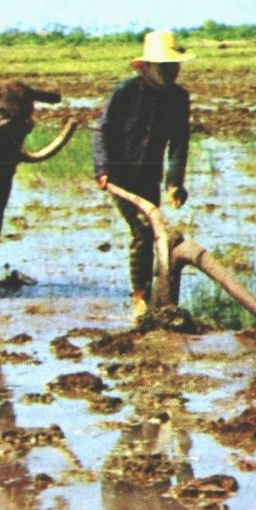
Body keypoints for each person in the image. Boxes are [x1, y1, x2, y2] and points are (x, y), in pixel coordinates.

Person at [92, 30, 192, 322]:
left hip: (149, 177)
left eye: (174, 66)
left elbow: (179, 141)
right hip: (120, 177)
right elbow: (102, 130)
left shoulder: (178, 97)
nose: (171, 72)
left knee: (155, 232)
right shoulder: (126, 92)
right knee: (142, 230)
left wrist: (175, 183)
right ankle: (139, 298)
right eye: (164, 67)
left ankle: (156, 296)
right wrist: (102, 169)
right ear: (147, 67)